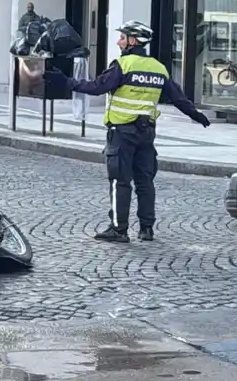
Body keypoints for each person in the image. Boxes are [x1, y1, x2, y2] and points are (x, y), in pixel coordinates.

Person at [44, 20, 210, 243]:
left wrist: (67, 82)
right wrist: (196, 115)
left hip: (122, 133)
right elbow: (178, 97)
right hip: (146, 134)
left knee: (119, 181)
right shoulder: (159, 68)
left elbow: (97, 87)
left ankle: (119, 229)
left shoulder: (123, 65)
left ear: (133, 41)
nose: (118, 41)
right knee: (145, 181)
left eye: (122, 37)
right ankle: (146, 229)